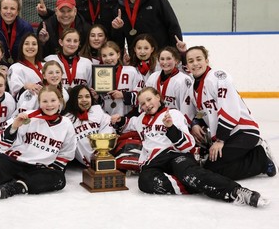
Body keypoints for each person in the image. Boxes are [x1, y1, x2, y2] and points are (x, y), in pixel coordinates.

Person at [111, 87, 269, 208]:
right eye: (143, 103)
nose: (147, 105)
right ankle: (196, 183)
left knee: (190, 173)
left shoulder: (173, 114)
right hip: (154, 162)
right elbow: (126, 123)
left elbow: (188, 145)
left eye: (149, 99)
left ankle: (236, 192)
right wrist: (119, 121)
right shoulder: (139, 120)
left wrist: (171, 128)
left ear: (158, 97)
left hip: (175, 155)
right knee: (144, 182)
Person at [185, 46, 277, 180]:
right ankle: (252, 154)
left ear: (207, 60)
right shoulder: (194, 88)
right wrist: (195, 123)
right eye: (191, 61)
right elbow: (202, 113)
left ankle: (260, 160)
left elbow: (229, 110)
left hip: (243, 132)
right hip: (227, 136)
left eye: (199, 59)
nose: (195, 63)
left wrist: (220, 140)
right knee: (211, 167)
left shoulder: (217, 77)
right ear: (187, 66)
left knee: (213, 168)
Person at [111, 0, 182, 54]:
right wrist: (117, 29)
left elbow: (173, 26)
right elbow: (119, 42)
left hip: (161, 58)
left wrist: (176, 55)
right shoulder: (119, 9)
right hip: (137, 60)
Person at [63, 85, 115, 166]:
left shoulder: (97, 110)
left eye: (87, 96)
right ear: (73, 99)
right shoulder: (66, 119)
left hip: (105, 155)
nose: (84, 100)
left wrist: (100, 152)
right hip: (81, 162)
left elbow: (107, 131)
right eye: (79, 97)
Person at [145, 46, 195, 125]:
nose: (165, 62)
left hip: (175, 122)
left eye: (168, 59)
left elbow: (187, 109)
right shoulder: (153, 77)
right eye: (162, 59)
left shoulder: (184, 80)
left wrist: (183, 125)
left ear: (176, 61)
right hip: (155, 122)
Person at [0, 0, 34, 64]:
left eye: (12, 8)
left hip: (20, 68)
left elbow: (31, 53)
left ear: (18, 11)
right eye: (5, 8)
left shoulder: (26, 28)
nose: (8, 12)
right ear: (0, 10)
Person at [98, 41, 144, 117]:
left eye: (111, 54)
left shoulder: (131, 71)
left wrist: (124, 95)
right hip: (107, 119)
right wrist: (96, 97)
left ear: (118, 55)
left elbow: (141, 95)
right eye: (104, 56)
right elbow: (101, 101)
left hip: (129, 117)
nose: (108, 58)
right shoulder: (99, 74)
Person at [7, 33, 43, 101]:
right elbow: (15, 94)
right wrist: (25, 87)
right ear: (21, 47)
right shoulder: (14, 68)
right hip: (27, 107)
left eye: (34, 44)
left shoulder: (46, 65)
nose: (30, 47)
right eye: (26, 44)